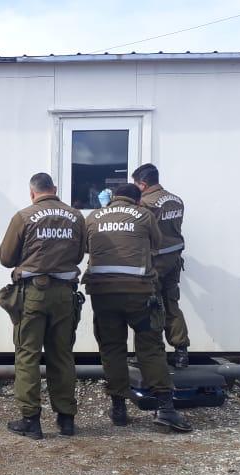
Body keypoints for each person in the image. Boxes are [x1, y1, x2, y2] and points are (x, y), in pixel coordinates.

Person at [82, 183, 192, 432]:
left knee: (112, 349)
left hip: (103, 295)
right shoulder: (145, 215)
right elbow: (157, 246)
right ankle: (165, 409)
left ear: (112, 199)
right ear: (138, 198)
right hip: (139, 294)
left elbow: (87, 247)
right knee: (150, 348)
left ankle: (119, 408)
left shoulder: (93, 217)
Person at [0, 172, 86, 439]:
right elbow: (80, 254)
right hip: (64, 294)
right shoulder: (76, 217)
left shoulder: (23, 217)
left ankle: (31, 422)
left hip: (33, 294)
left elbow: (6, 257)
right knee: (62, 355)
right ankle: (66, 420)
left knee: (28, 355)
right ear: (54, 189)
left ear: (32, 193)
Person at [134, 163, 191, 368]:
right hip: (174, 259)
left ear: (142, 184)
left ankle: (152, 355)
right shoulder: (176, 200)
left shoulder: (147, 203)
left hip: (156, 261)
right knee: (171, 303)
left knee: (152, 307)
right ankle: (181, 351)